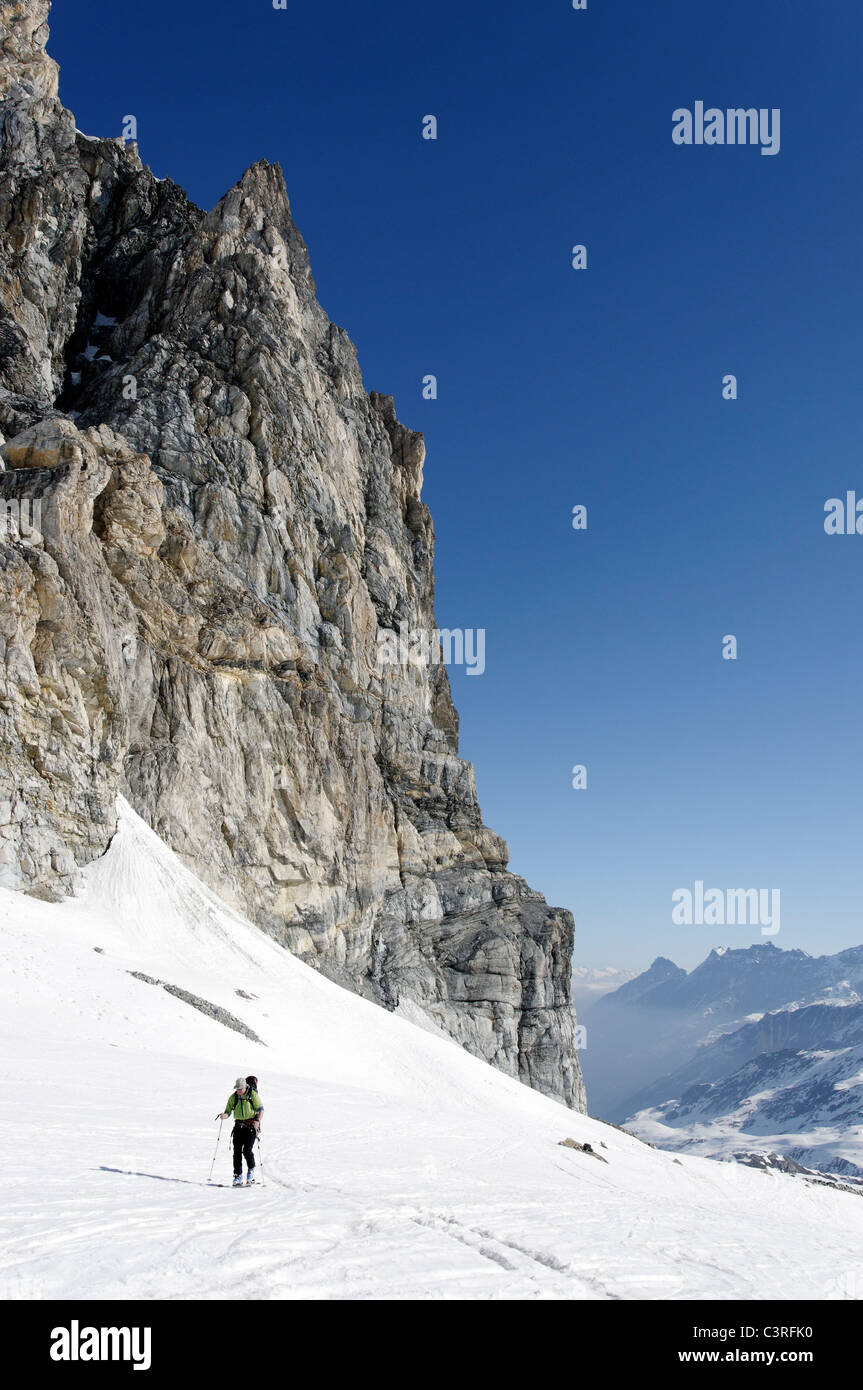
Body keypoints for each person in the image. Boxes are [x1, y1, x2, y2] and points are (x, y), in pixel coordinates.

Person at [217, 1077, 264, 1187]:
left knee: (247, 1150)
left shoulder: (252, 1095)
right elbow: (228, 1110)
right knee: (237, 1152)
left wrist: (257, 1121)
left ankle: (251, 1172)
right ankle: (237, 1176)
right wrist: (225, 1115)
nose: (238, 1091)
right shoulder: (234, 1097)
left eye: (240, 1089)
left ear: (245, 1087)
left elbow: (260, 1109)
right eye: (237, 1089)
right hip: (238, 1126)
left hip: (251, 1126)